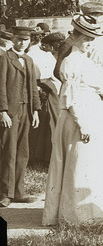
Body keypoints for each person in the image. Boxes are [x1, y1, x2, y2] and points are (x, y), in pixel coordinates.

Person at [42, 14, 103, 225]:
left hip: (91, 112)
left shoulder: (85, 60)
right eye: (87, 40)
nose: (90, 44)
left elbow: (97, 86)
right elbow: (72, 99)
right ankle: (77, 215)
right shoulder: (71, 62)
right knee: (80, 162)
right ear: (76, 38)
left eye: (93, 40)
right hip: (78, 118)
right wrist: (83, 124)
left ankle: (91, 209)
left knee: (91, 162)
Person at [0, 26, 41, 207]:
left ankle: (18, 191)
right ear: (13, 40)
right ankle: (4, 193)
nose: (22, 42)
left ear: (29, 41)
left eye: (25, 40)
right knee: (8, 151)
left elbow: (33, 87)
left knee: (23, 151)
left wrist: (36, 110)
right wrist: (2, 111)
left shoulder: (29, 60)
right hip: (10, 112)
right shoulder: (4, 59)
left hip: (27, 111)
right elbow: (0, 86)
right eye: (18, 39)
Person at [27, 29, 61, 164]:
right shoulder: (47, 55)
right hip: (50, 87)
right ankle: (47, 154)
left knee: (36, 120)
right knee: (50, 120)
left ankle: (36, 153)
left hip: (37, 86)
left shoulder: (28, 56)